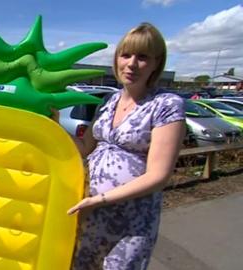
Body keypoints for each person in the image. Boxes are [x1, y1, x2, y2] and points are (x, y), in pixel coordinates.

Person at [61, 22, 186, 269]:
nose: (131, 64)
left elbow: (158, 176)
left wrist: (101, 199)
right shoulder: (108, 101)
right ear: (117, 58)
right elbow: (85, 148)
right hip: (88, 213)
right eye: (125, 55)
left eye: (142, 57)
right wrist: (53, 124)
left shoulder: (166, 105)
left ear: (155, 63)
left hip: (129, 220)